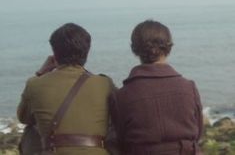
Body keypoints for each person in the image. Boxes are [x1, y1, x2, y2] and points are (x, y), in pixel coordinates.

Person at [17, 23, 115, 155]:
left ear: (55, 54)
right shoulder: (105, 84)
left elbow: (23, 118)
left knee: (31, 129)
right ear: (86, 52)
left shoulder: (35, 85)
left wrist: (41, 73)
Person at [109, 20, 203, 155]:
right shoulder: (189, 88)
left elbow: (121, 140)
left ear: (134, 49)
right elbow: (198, 133)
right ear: (168, 47)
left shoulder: (121, 96)